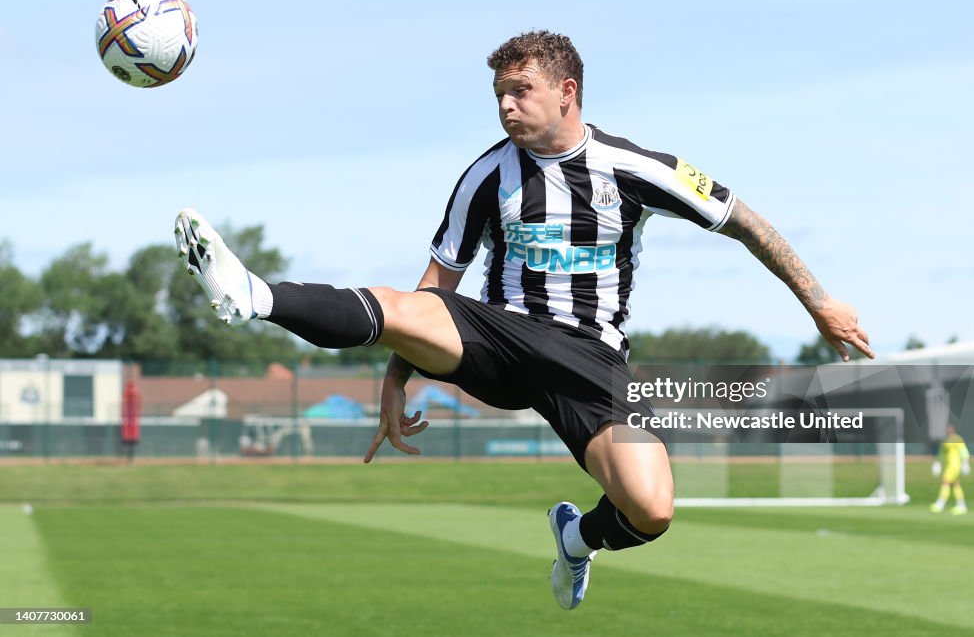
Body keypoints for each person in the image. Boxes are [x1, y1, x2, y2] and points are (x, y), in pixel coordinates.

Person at [174, 30, 873, 610]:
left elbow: (744, 221)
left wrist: (819, 303)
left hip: (588, 359)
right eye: (498, 96)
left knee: (651, 509)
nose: (506, 107)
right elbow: (436, 286)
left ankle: (576, 539)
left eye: (520, 92)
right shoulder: (486, 175)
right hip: (499, 340)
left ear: (567, 92)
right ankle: (257, 296)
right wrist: (397, 381)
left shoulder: (634, 166)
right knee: (402, 302)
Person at [930, 423, 970, 515]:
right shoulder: (946, 441)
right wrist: (938, 464)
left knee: (945, 482)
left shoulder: (957, 439)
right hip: (949, 466)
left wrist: (965, 463)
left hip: (954, 466)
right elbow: (942, 454)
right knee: (955, 485)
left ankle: (940, 504)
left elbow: (963, 451)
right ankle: (961, 505)